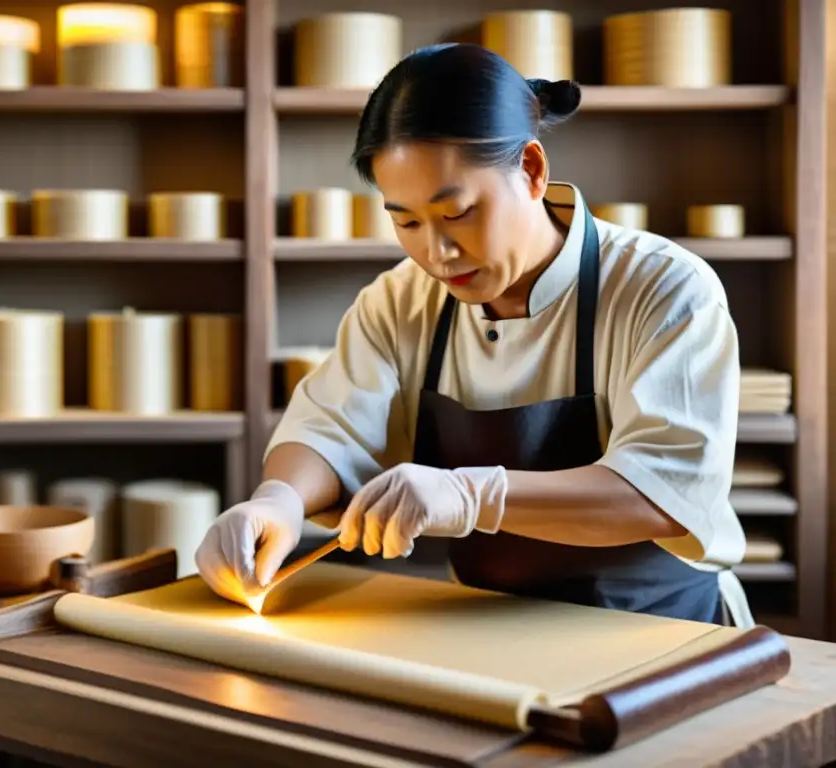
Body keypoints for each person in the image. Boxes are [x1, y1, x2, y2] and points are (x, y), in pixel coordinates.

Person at [195, 43, 752, 627]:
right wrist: (278, 500)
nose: (436, 252)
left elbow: (664, 490)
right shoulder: (401, 301)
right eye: (405, 221)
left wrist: (472, 496)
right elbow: (329, 427)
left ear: (532, 171)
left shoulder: (663, 288)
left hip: (660, 629)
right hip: (488, 626)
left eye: (457, 212)